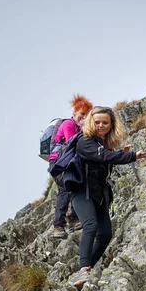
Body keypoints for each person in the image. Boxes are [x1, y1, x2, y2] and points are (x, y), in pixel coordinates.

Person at [70, 106, 146, 288]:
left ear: (112, 124)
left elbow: (105, 157)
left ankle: (87, 268)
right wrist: (131, 156)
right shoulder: (85, 141)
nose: (101, 125)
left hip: (99, 196)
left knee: (105, 234)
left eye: (105, 122)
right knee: (91, 225)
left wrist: (119, 153)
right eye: (97, 122)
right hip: (82, 193)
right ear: (90, 122)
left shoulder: (102, 143)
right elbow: (103, 157)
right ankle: (83, 270)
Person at [50, 94, 93, 239]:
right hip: (59, 163)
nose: (84, 117)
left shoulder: (81, 129)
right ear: (74, 113)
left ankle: (73, 219)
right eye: (82, 114)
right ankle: (58, 226)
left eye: (87, 115)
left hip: (70, 163)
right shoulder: (68, 125)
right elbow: (71, 145)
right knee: (65, 189)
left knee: (76, 186)